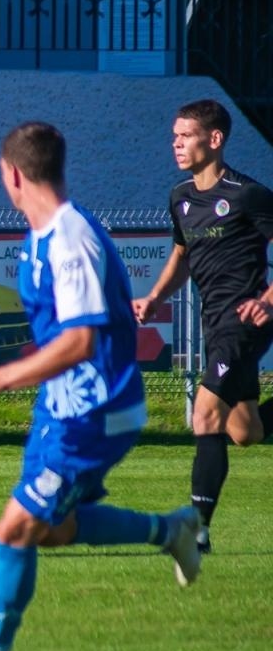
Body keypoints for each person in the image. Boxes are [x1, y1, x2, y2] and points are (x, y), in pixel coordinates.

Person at [0, 122, 201, 651]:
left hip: (96, 411)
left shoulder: (69, 238)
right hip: (62, 410)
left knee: (15, 528)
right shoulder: (43, 237)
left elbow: (80, 340)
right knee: (54, 528)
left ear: (11, 174)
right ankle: (169, 530)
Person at [132, 99, 273, 556]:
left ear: (214, 140)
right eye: (173, 136)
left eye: (185, 135)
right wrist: (155, 297)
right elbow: (181, 256)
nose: (176, 143)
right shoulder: (180, 197)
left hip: (245, 322)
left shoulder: (249, 194)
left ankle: (196, 532)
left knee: (205, 414)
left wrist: (267, 300)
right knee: (244, 432)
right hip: (215, 324)